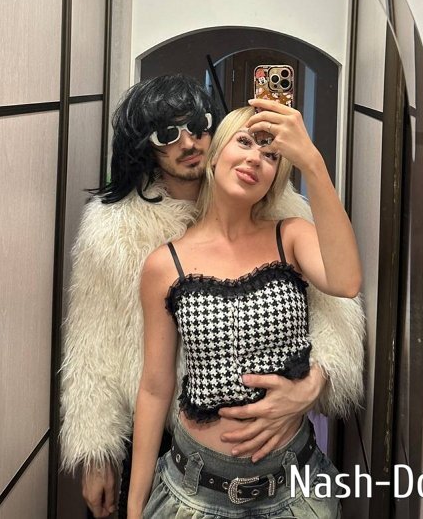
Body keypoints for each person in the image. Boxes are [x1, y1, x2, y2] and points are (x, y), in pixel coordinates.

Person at [59, 75, 365, 518]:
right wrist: (98, 453)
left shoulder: (284, 219)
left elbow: (338, 303)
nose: (188, 142)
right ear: (145, 147)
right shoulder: (118, 236)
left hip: (290, 473)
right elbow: (94, 345)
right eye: (167, 134)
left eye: (198, 126)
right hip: (178, 454)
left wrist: (315, 382)